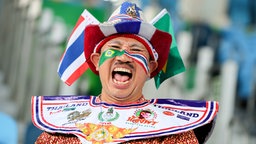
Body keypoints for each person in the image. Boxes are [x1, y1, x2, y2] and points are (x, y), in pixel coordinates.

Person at [32, 1, 218, 144]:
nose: (124, 57)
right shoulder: (60, 127)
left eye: (136, 50)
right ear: (97, 62)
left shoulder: (175, 132)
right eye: (114, 47)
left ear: (150, 68)